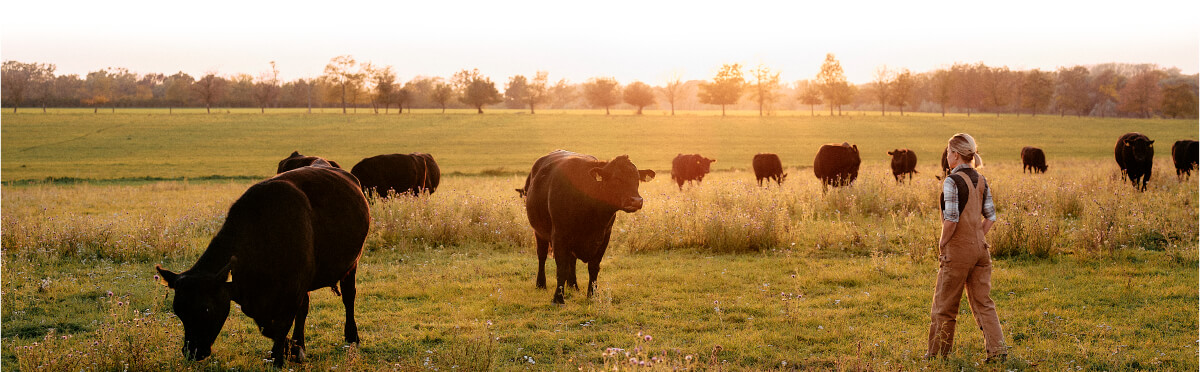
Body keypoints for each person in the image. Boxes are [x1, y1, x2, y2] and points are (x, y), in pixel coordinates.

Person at [927, 133, 1007, 362]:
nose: (946, 156)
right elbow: (990, 216)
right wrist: (977, 237)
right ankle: (998, 352)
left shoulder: (952, 181)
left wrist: (942, 244)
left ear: (955, 154)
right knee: (984, 303)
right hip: (981, 250)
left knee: (945, 305)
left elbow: (951, 219)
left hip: (958, 251)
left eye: (948, 152)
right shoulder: (981, 180)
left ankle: (937, 355)